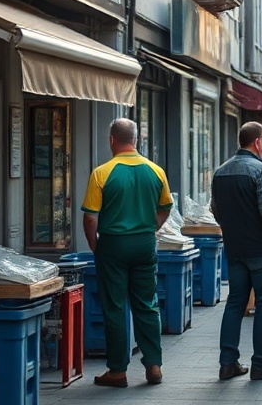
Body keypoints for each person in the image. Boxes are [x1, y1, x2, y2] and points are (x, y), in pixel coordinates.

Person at [82, 118, 172, 388]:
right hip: (144, 243)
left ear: (112, 140)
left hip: (113, 244)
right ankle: (154, 364)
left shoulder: (102, 173)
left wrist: (96, 246)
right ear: (136, 139)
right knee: (147, 303)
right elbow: (166, 207)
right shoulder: (156, 171)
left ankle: (118, 371)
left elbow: (90, 219)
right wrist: (150, 229)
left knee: (115, 307)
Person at [211, 122, 262, 381]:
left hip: (235, 249)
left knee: (235, 303)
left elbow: (215, 210)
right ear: (258, 142)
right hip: (261, 250)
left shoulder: (220, 172)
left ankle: (228, 363)